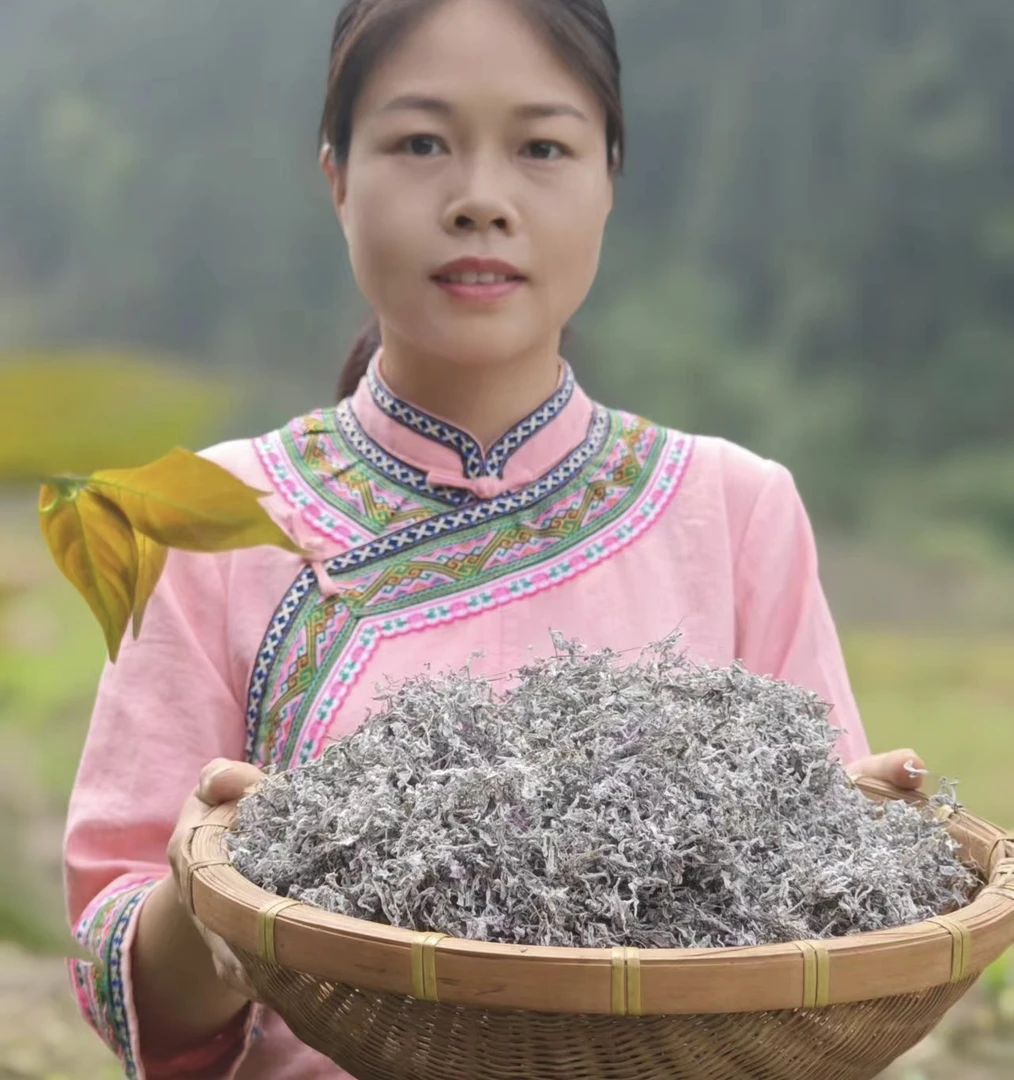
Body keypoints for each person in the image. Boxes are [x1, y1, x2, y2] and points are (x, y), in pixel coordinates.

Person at [63, 1, 928, 1077]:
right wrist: (210, 899)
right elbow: (118, 965)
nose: (480, 199)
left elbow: (821, 916)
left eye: (542, 148)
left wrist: (869, 850)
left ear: (610, 180)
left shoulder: (737, 509)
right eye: (421, 142)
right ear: (337, 177)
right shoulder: (203, 518)